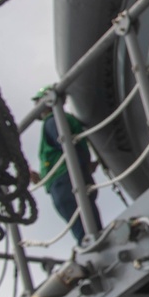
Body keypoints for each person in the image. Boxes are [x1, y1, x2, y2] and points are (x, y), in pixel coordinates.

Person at [31, 88, 102, 244]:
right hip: (68, 178)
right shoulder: (61, 120)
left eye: (38, 102)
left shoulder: (53, 121)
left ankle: (91, 246)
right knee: (89, 226)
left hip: (65, 182)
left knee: (84, 231)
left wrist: (81, 166)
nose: (36, 107)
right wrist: (42, 177)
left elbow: (67, 147)